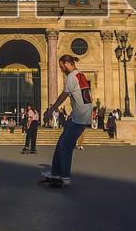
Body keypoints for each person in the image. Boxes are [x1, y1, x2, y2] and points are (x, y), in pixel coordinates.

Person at [41, 55, 93, 186]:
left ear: (67, 64)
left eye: (61, 66)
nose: (61, 69)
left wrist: (51, 109)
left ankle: (64, 177)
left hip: (79, 117)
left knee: (65, 147)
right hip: (82, 115)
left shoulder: (71, 76)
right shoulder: (80, 75)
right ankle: (55, 173)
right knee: (61, 144)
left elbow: (64, 95)